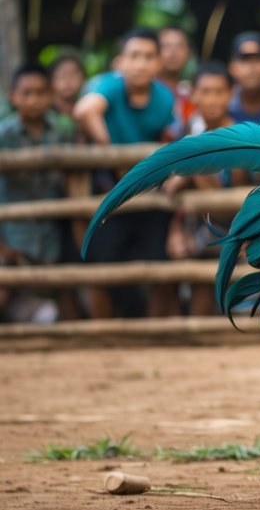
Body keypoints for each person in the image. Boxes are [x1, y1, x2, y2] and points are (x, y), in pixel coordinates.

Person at [73, 27, 178, 319]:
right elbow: (84, 111)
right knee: (101, 265)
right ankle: (103, 336)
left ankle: (155, 334)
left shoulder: (164, 98)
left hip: (147, 191)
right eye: (134, 56)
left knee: (159, 264)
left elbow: (166, 136)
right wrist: (112, 154)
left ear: (159, 62)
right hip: (108, 188)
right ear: (120, 61)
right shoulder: (110, 85)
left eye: (148, 57)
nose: (140, 64)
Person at [0, 64, 78, 323]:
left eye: (41, 92)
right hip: (12, 229)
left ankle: (79, 340)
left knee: (64, 286)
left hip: (52, 228)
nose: (34, 100)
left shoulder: (63, 131)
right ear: (13, 96)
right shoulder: (4, 135)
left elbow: (73, 178)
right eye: (27, 93)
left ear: (51, 95)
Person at [163, 62, 235, 317]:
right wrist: (174, 230)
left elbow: (239, 194)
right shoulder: (181, 131)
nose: (212, 99)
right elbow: (167, 187)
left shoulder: (245, 136)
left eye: (219, 91)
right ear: (193, 94)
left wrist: (190, 167)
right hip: (193, 225)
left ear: (230, 94)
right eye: (205, 91)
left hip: (233, 227)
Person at [227, 31, 260, 125]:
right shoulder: (224, 107)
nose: (252, 67)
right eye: (244, 60)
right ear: (232, 68)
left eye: (258, 59)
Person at [49, 52, 86, 120]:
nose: (68, 81)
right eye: (62, 75)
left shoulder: (88, 108)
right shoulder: (44, 111)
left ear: (83, 78)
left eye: (73, 74)